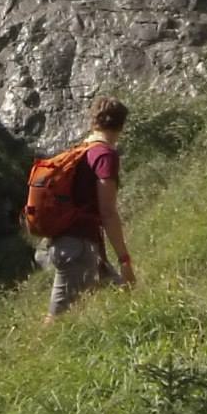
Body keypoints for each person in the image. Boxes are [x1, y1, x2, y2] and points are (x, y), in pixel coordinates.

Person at [37, 96, 136, 324]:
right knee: (56, 320)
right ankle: (35, 352)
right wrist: (125, 259)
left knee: (121, 292)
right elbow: (108, 212)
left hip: (78, 244)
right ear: (121, 125)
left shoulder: (81, 150)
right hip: (78, 247)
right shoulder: (104, 155)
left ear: (94, 121)